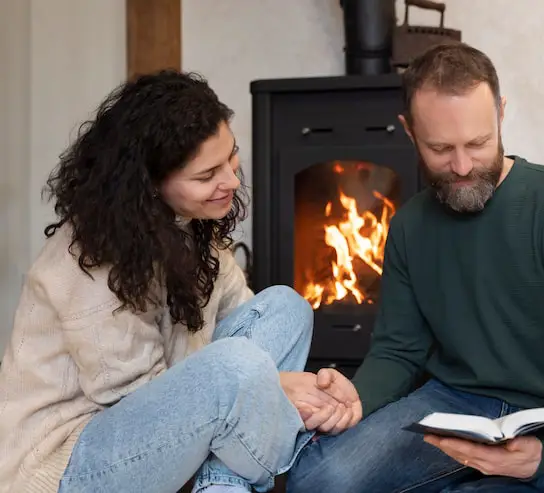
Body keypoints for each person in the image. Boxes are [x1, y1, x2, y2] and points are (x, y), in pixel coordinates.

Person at [286, 42, 544, 492]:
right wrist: (357, 396)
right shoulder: (409, 225)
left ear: (501, 115)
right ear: (409, 132)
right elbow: (398, 350)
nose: (463, 166)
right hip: (449, 407)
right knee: (317, 479)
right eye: (441, 148)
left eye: (478, 143)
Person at [0, 70, 361, 493]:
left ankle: (221, 486)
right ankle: (262, 463)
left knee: (286, 307)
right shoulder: (90, 258)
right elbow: (137, 399)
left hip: (177, 415)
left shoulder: (188, 225)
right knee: (237, 370)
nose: (230, 180)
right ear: (149, 186)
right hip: (71, 460)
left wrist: (306, 385)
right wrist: (279, 390)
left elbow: (249, 328)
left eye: (231, 157)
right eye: (206, 175)